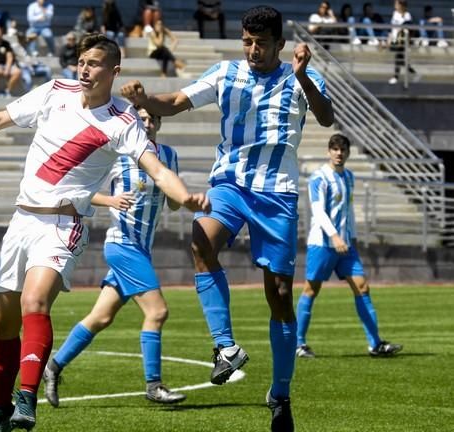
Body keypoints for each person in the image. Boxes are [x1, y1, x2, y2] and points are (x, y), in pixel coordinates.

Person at [0, 33, 210, 432]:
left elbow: (157, 169)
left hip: (63, 224)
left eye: (94, 63)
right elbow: (0, 118)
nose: (85, 69)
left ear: (114, 71)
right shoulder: (55, 91)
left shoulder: (123, 120)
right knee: (2, 325)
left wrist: (187, 198)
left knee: (36, 302)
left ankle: (27, 398)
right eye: (82, 62)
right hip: (23, 220)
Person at [121, 6, 334, 431]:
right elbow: (178, 101)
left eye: (261, 43)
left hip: (277, 194)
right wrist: (144, 100)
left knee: (278, 296)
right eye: (247, 42)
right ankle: (225, 347)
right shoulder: (226, 73)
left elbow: (327, 118)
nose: (253, 50)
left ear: (279, 44)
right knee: (201, 241)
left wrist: (304, 75)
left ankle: (280, 392)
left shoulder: (300, 77)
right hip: (231, 185)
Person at [42, 107, 186, 408]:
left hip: (141, 247)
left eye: (152, 119)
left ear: (159, 123)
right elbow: (78, 189)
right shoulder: (117, 155)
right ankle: (154, 385)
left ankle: (53, 367)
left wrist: (178, 194)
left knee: (100, 317)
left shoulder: (169, 156)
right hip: (122, 245)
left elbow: (173, 205)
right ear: (134, 122)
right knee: (157, 312)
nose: (147, 123)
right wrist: (110, 199)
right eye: (142, 119)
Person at [296, 134, 403, 359]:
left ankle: (375, 344)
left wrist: (350, 236)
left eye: (342, 149)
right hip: (323, 244)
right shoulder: (319, 178)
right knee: (310, 290)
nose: (338, 153)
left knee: (362, 287)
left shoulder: (349, 178)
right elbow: (318, 211)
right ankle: (299, 344)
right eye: (334, 149)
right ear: (328, 151)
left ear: (348, 153)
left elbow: (347, 211)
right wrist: (334, 236)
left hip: (345, 246)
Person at [388, 0, 420, 85]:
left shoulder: (407, 15)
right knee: (402, 60)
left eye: (397, 3)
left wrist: (408, 42)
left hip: (402, 41)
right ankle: (415, 74)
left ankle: (395, 77)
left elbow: (409, 30)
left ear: (401, 5)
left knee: (398, 58)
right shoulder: (394, 13)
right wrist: (389, 38)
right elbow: (392, 28)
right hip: (395, 39)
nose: (395, 5)